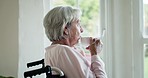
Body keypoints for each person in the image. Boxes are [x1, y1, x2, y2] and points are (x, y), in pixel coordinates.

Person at [43, 5, 107, 78]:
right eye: (78, 24)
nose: (82, 30)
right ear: (66, 29)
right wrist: (94, 54)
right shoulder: (63, 51)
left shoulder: (52, 51)